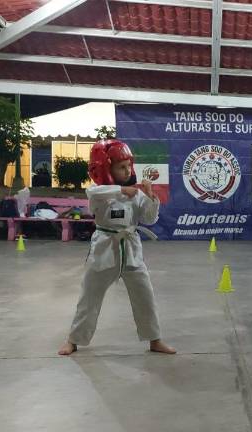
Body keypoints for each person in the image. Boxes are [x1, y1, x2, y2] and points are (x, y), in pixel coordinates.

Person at [58, 139, 175, 356]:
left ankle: (154, 339)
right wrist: (122, 190)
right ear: (106, 169)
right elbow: (94, 194)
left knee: (144, 295)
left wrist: (150, 197)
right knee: (89, 297)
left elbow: (149, 219)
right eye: (121, 167)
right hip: (104, 248)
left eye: (128, 166)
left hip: (131, 249)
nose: (127, 170)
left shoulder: (136, 193)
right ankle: (73, 340)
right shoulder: (100, 192)